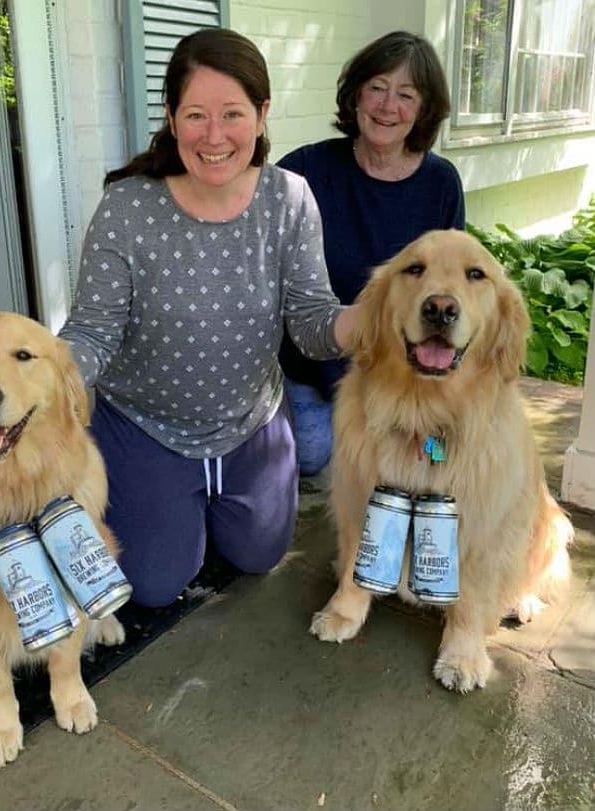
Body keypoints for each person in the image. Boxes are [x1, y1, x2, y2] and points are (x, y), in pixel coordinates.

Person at [59, 27, 355, 607]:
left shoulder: (289, 198)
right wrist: (35, 377)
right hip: (145, 423)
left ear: (262, 113)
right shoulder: (127, 207)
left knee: (259, 558)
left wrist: (368, 320)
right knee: (152, 586)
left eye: (232, 114)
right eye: (195, 115)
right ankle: (175, 504)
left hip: (250, 421)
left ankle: (213, 500)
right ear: (170, 117)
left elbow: (314, 323)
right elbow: (93, 331)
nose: (214, 136)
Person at [277, 30, 465, 476]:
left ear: (423, 109)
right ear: (356, 95)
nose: (387, 106)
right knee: (313, 455)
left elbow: (452, 288)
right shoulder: (304, 171)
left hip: (404, 369)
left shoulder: (441, 183)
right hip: (317, 368)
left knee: (433, 459)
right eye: (377, 88)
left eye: (406, 94)